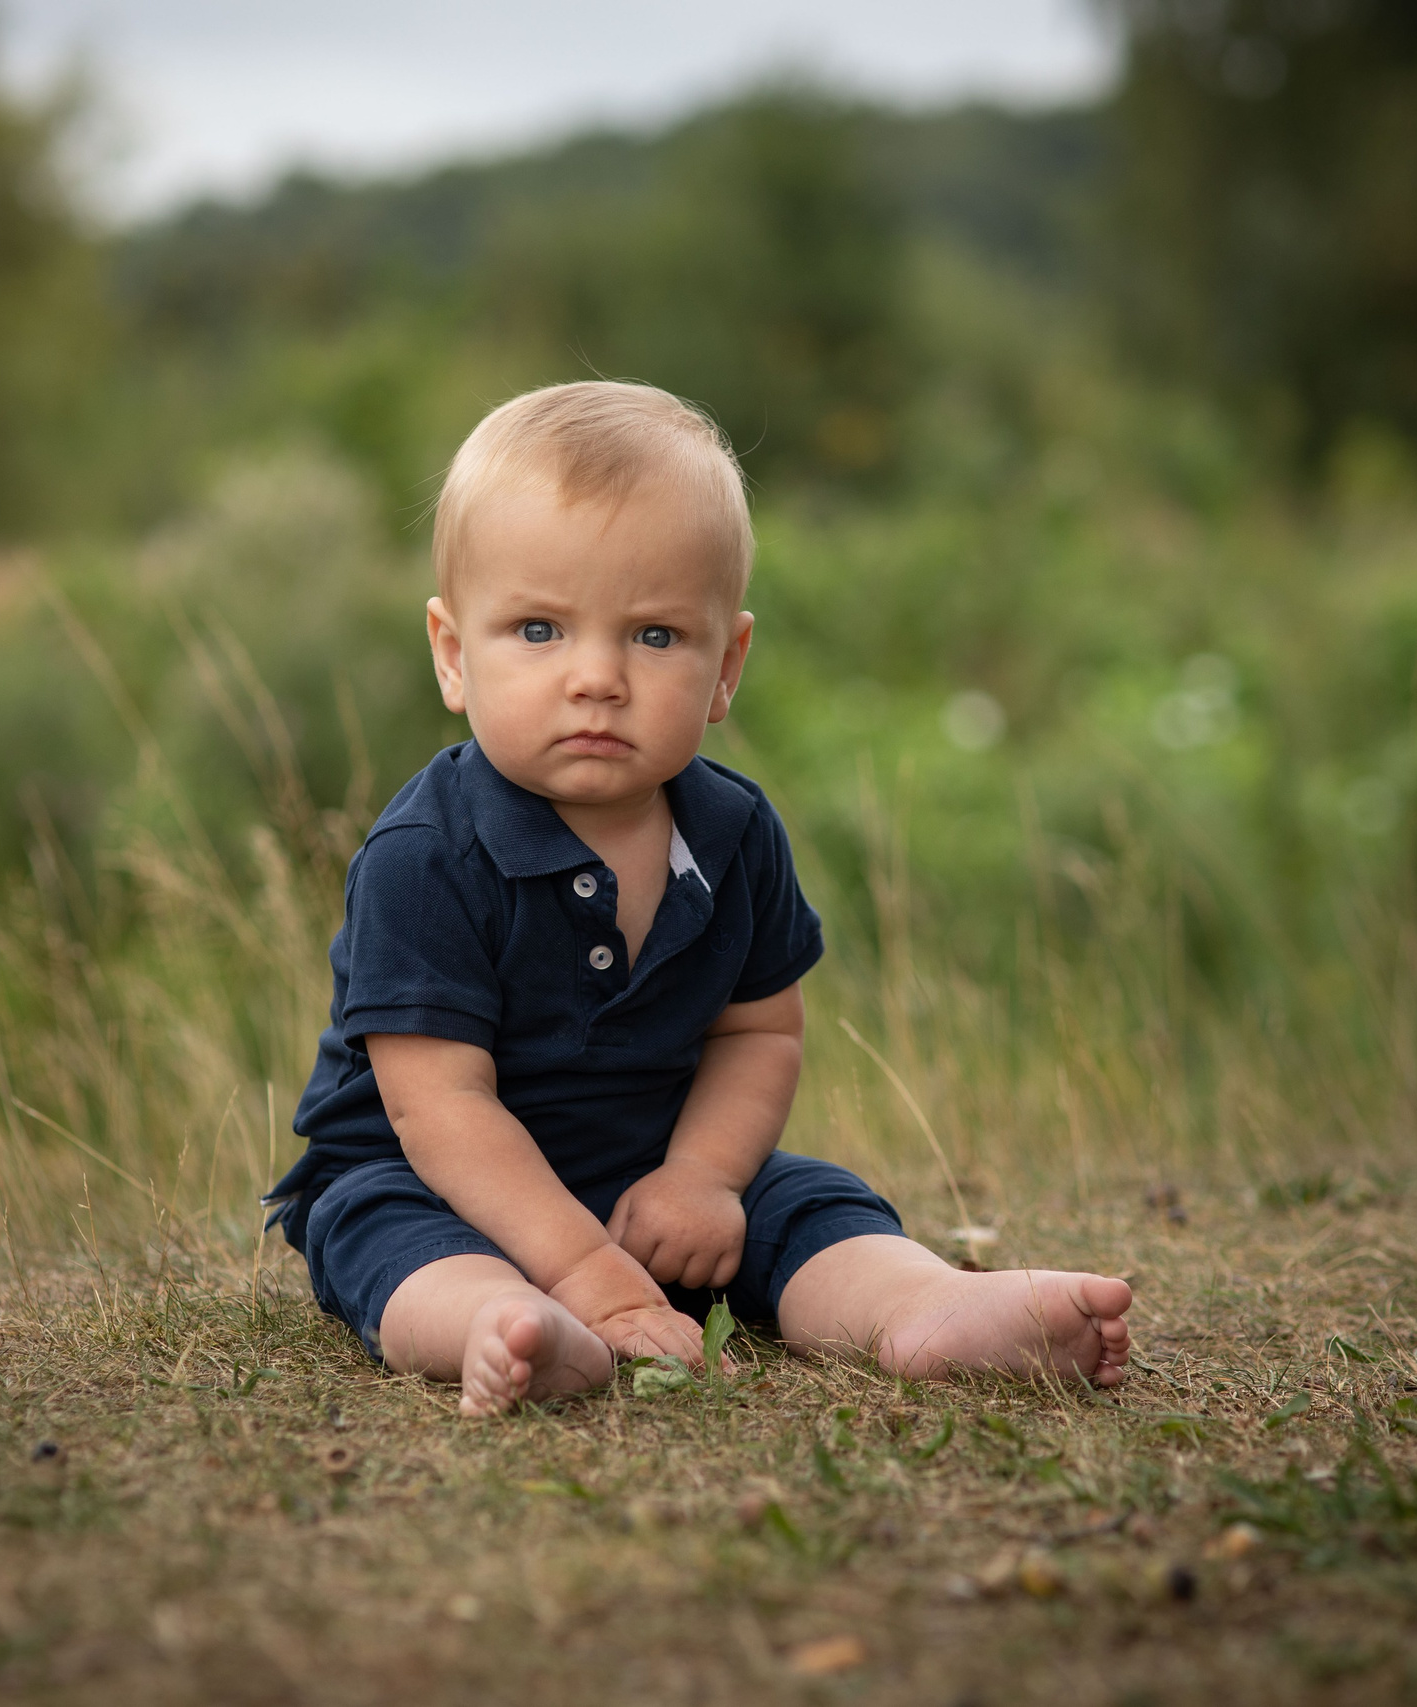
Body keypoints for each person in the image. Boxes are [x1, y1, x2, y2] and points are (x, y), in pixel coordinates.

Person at [265, 381, 1132, 1416]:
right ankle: (512, 1331)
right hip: (439, 1177)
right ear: (454, 653)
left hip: (652, 1177)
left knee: (806, 1200)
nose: (597, 677)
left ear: (728, 665)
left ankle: (925, 1309)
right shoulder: (426, 853)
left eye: (656, 637)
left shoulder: (733, 834)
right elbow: (438, 1108)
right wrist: (583, 1274)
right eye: (538, 630)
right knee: (394, 1241)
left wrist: (703, 1179)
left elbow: (758, 1032)